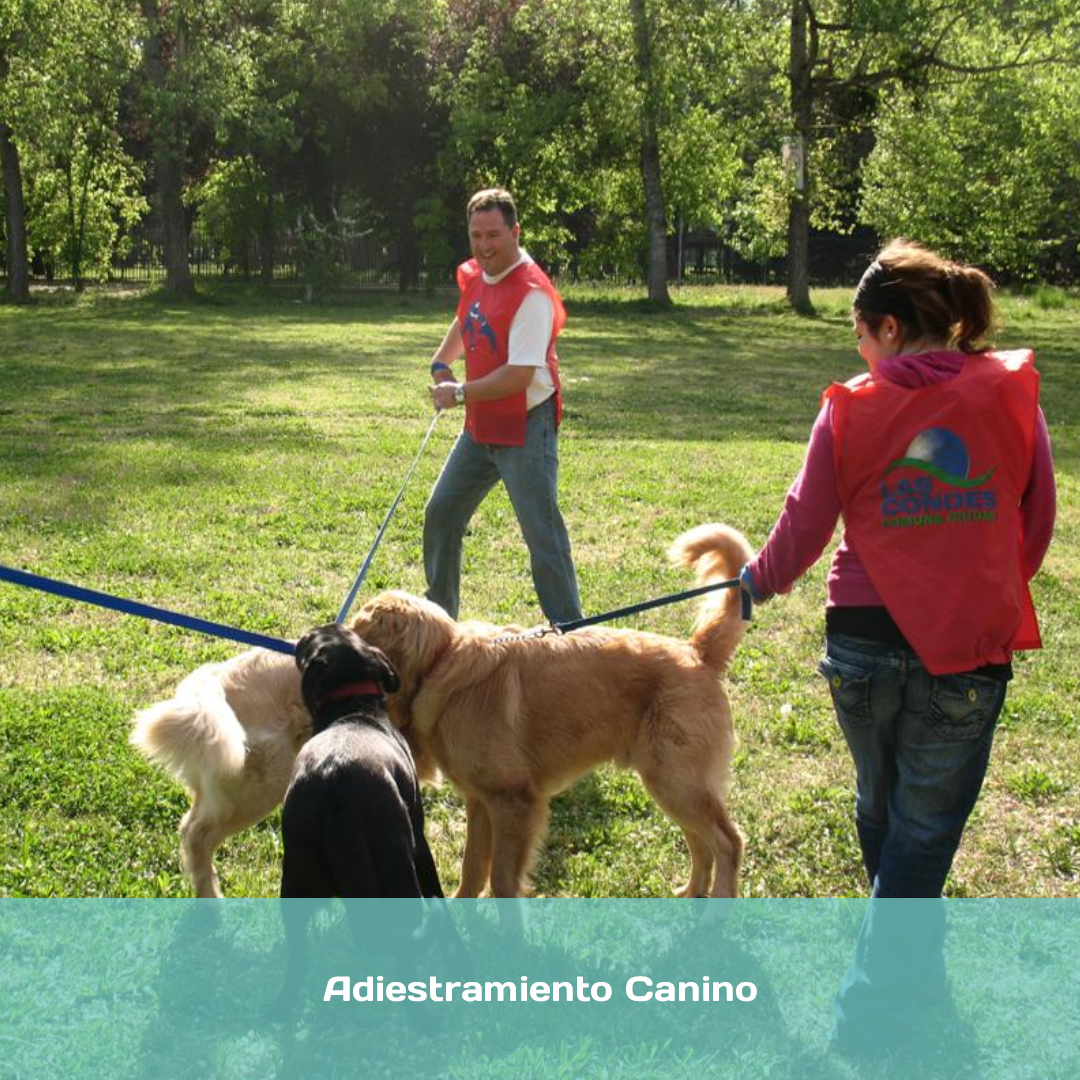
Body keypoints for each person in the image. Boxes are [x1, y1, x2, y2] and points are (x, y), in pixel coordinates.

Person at [739, 239, 1056, 1054]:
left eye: (858, 334)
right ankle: (878, 1004)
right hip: (964, 649)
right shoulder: (1008, 393)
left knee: (888, 813)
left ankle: (900, 981)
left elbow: (804, 527)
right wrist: (982, 585)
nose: (858, 351)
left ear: (884, 327)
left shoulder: (852, 405)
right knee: (918, 830)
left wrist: (756, 584)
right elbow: (1036, 514)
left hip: (861, 646)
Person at [424, 187, 582, 625]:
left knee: (542, 535)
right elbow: (467, 316)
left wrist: (457, 393)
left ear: (515, 231)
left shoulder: (531, 292)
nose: (485, 245)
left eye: (494, 235)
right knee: (441, 514)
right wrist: (441, 361)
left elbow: (518, 376)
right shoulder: (477, 273)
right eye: (477, 235)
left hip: (526, 428)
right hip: (481, 427)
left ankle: (572, 636)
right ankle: (439, 625)